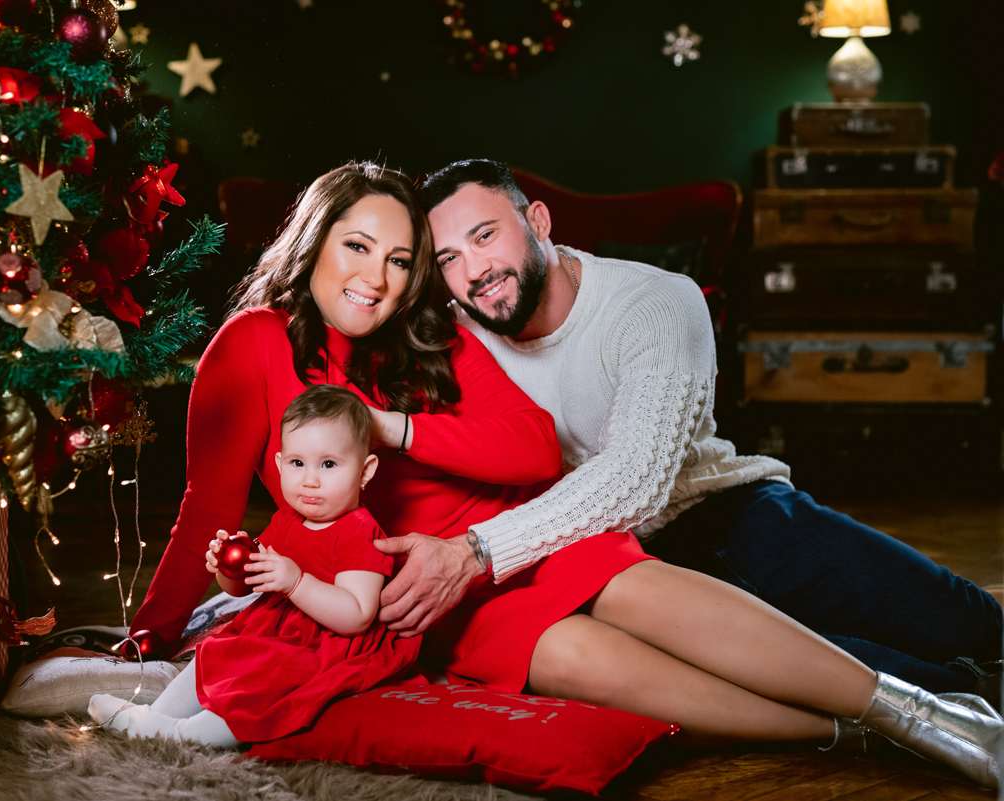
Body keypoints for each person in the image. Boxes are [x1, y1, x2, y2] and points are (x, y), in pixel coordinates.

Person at [126, 162, 999, 787]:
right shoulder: (251, 345)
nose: (377, 279)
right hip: (413, 589)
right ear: (314, 242)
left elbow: (536, 451)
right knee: (582, 662)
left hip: (539, 526)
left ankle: (925, 713)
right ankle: (863, 734)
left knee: (649, 592)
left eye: (398, 260)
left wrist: (394, 429)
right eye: (358, 247)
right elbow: (207, 502)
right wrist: (147, 635)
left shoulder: (438, 332)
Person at [372, 159, 1003, 699]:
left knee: (967, 624)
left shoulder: (656, 302)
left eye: (485, 236)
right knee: (882, 678)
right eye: (449, 258)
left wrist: (475, 551)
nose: (475, 271)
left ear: (537, 221)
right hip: (615, 564)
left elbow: (637, 480)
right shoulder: (453, 334)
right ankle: (964, 702)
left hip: (727, 510)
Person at [88, 384, 416, 745]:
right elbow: (246, 585)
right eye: (297, 463)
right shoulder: (287, 519)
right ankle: (156, 715)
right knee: (213, 654)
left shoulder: (360, 533)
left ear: (365, 471)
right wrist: (228, 568)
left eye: (328, 464)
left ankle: (184, 735)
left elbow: (357, 616)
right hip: (272, 629)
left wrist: (296, 583)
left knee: (262, 682)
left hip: (322, 645)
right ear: (279, 464)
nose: (310, 480)